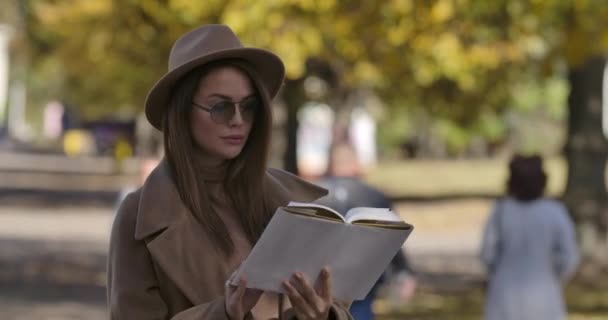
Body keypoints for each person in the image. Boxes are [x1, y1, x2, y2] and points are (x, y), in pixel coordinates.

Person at [107, 24, 353, 320]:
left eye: (248, 107)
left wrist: (322, 316)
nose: (237, 120)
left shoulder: (291, 202)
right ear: (182, 111)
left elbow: (333, 302)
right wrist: (222, 314)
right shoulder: (141, 216)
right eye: (220, 107)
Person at [314, 142, 417, 320]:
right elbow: (391, 239)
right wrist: (403, 271)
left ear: (330, 163)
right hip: (364, 279)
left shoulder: (314, 193)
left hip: (318, 280)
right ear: (355, 162)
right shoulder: (374, 195)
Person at [480, 155, 579, 320]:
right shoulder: (554, 212)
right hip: (545, 292)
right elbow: (569, 256)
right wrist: (555, 275)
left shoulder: (502, 211)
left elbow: (487, 253)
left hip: (505, 292)